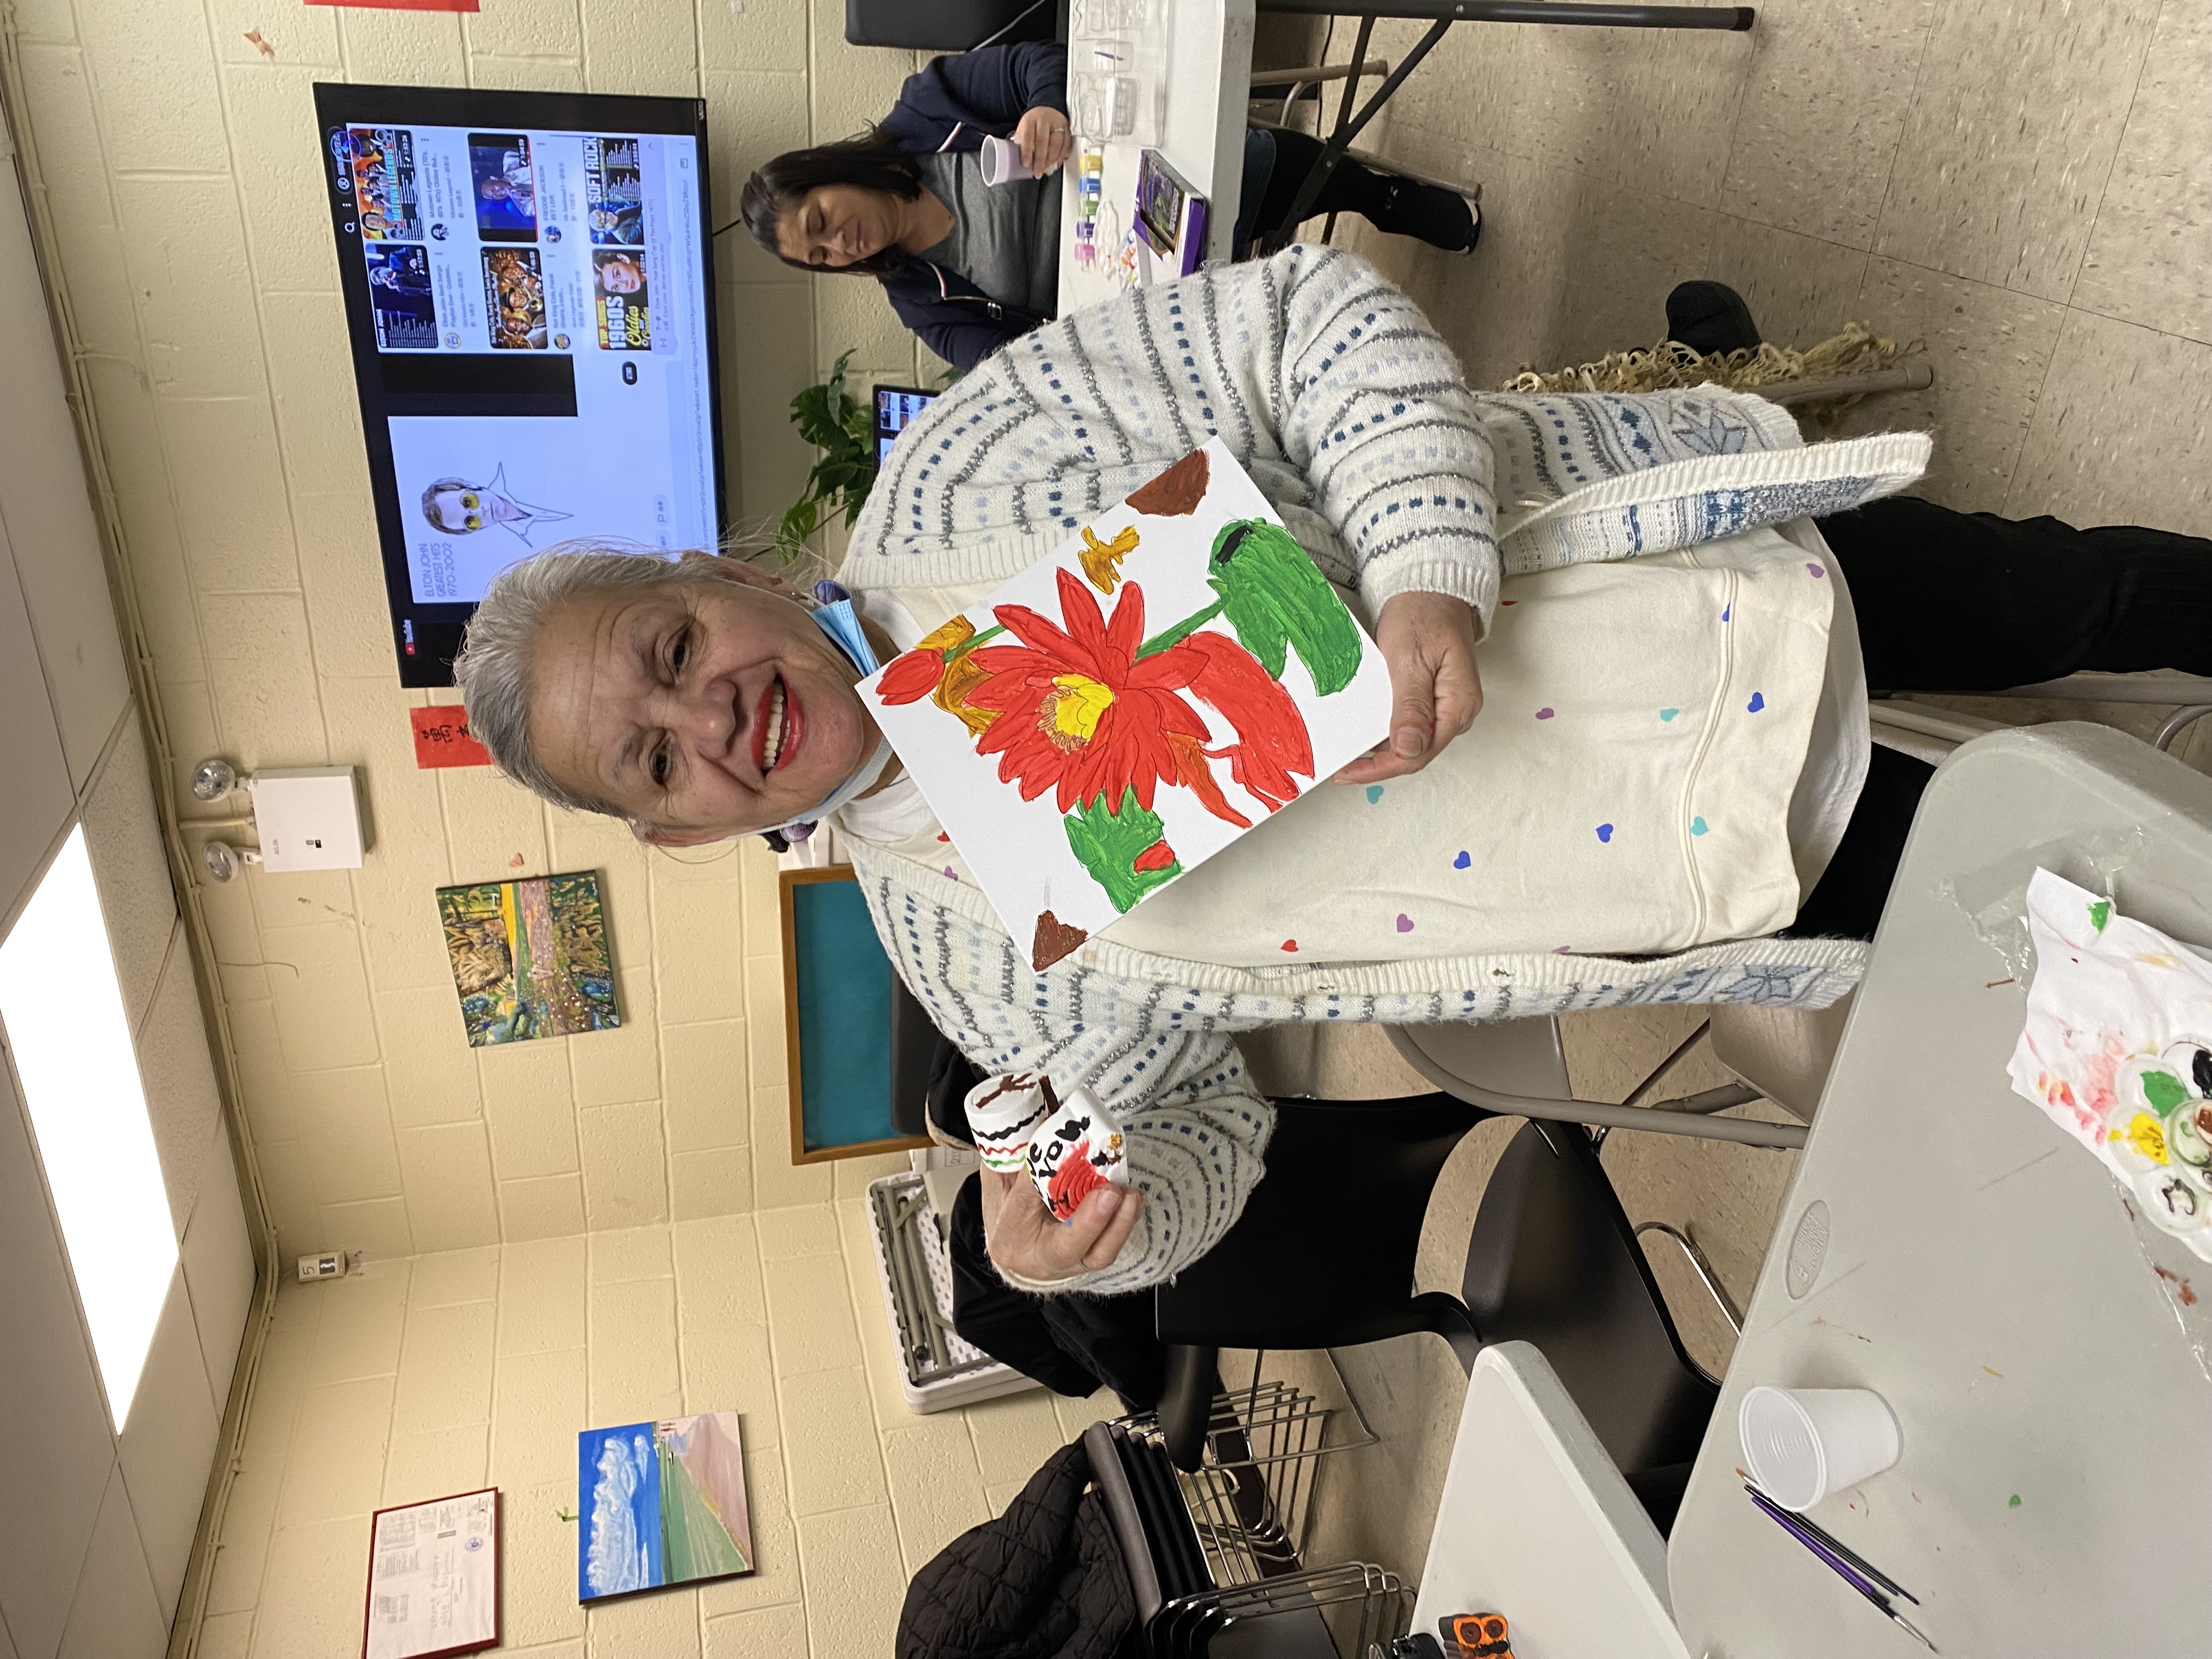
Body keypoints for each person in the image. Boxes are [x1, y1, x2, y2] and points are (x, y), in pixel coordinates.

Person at [453, 245, 2212, 1300]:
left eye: (673, 655)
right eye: (658, 765)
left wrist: (1421, 553)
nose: (715, 726)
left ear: (724, 574)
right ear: (679, 831)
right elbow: (1212, 1138)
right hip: (1691, 873)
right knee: (2098, 934)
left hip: (1686, 582)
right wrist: (1109, 1221)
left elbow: (1308, 321)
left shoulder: (966, 475)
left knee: (2085, 596)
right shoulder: (966, 951)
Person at [736, 41, 1479, 372]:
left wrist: (1046, 110)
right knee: (1250, 335)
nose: (841, 244)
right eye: (823, 257)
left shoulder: (928, 106)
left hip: (1152, 172)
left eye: (821, 223)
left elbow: (1039, 63)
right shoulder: (921, 304)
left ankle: (1374, 195)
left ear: (826, 173)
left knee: (1276, 169)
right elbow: (1010, 365)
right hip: (1143, 290)